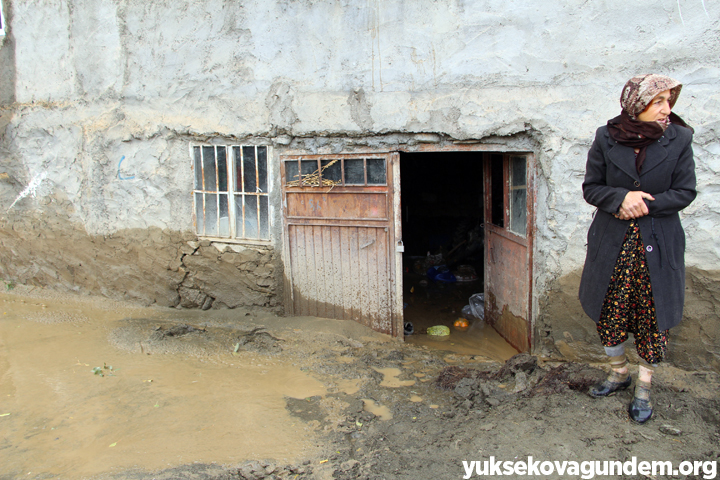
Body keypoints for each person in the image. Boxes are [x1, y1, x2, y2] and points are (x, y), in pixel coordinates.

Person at [578, 74, 696, 424]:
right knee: (608, 308)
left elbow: (685, 192)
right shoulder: (606, 136)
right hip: (613, 243)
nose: (666, 108)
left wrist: (642, 203)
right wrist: (619, 198)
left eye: (668, 100)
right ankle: (618, 372)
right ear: (635, 104)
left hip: (657, 243)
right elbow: (592, 187)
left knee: (653, 315)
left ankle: (644, 385)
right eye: (657, 101)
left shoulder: (679, 138)